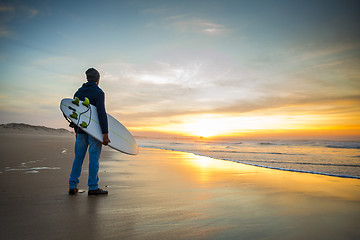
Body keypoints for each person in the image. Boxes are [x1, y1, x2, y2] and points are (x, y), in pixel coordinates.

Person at [68, 68, 110, 195]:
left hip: (81, 129)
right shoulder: (98, 92)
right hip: (94, 131)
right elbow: (101, 114)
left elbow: (75, 114)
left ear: (87, 78)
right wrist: (105, 134)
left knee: (78, 157)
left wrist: (76, 130)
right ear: (98, 80)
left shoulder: (78, 92)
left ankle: (72, 185)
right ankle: (93, 187)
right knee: (93, 158)